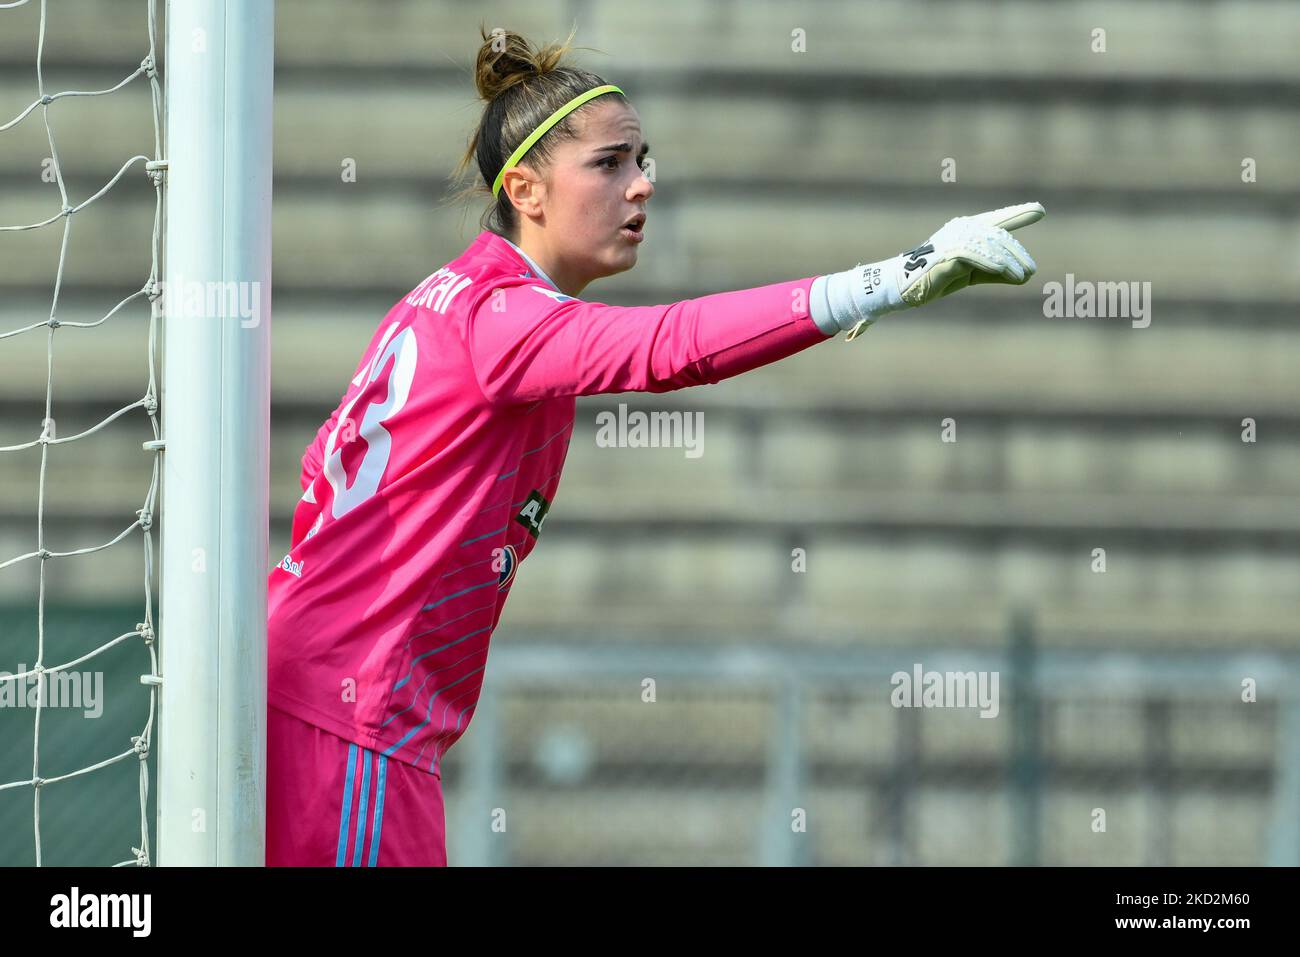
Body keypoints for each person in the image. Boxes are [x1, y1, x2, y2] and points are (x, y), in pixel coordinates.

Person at [265, 25, 1045, 866]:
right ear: (525, 188)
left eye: (643, 161)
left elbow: (323, 474)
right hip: (350, 718)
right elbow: (670, 346)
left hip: (321, 699)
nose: (641, 187)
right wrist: (887, 280)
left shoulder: (451, 299)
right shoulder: (504, 319)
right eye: (609, 164)